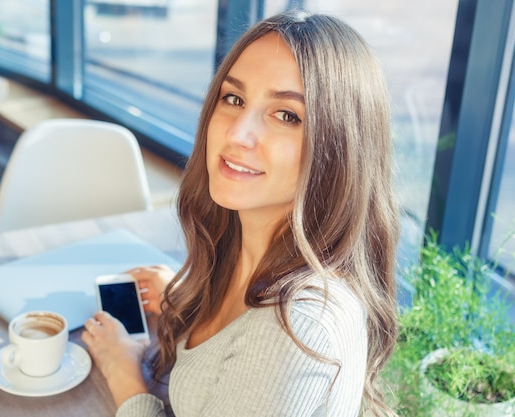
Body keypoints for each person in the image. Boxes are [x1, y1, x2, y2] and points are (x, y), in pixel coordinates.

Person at [82, 10, 400, 417]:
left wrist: (125, 374)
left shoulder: (294, 329)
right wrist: (187, 301)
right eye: (234, 98)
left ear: (339, 150)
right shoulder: (243, 249)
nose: (236, 133)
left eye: (287, 115)